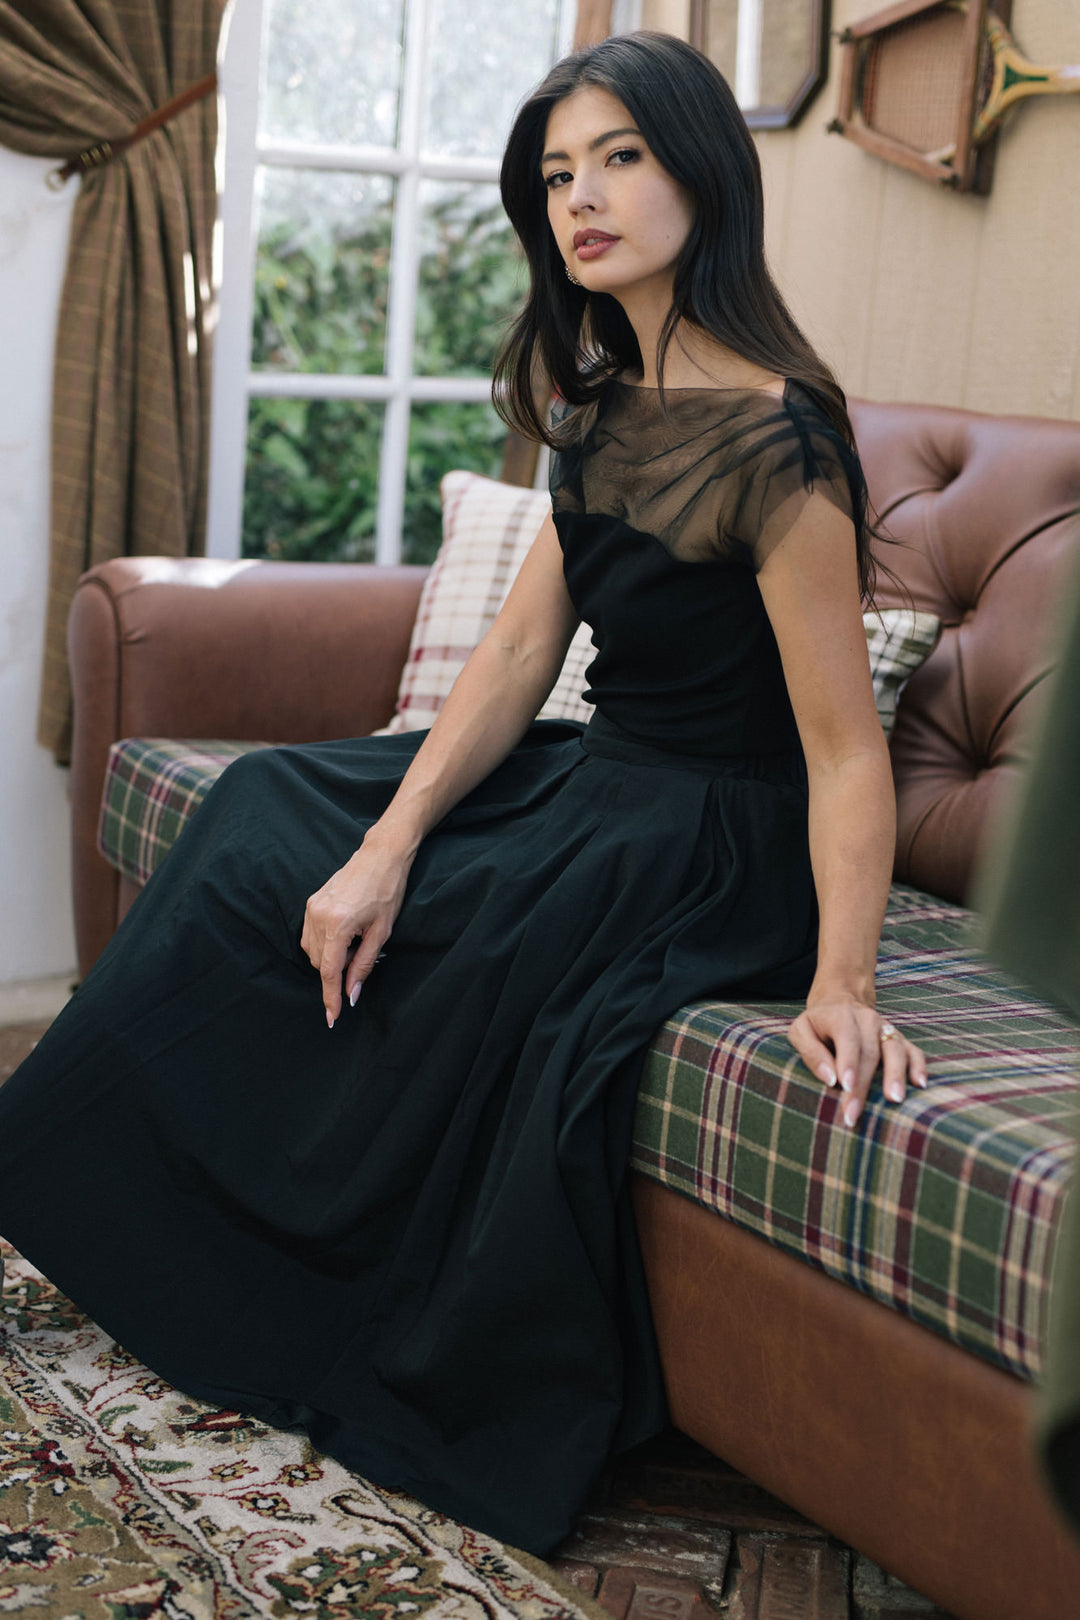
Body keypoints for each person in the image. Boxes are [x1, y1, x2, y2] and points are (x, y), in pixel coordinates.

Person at [0, 32, 925, 1558]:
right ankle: (71, 1183)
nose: (583, 196)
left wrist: (843, 975)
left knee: (473, 953)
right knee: (263, 822)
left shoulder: (785, 442)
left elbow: (841, 751)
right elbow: (512, 658)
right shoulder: (603, 410)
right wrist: (385, 841)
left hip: (709, 839)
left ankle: (295, 1294)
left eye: (620, 156)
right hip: (595, 780)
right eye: (559, 172)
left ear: (705, 166)